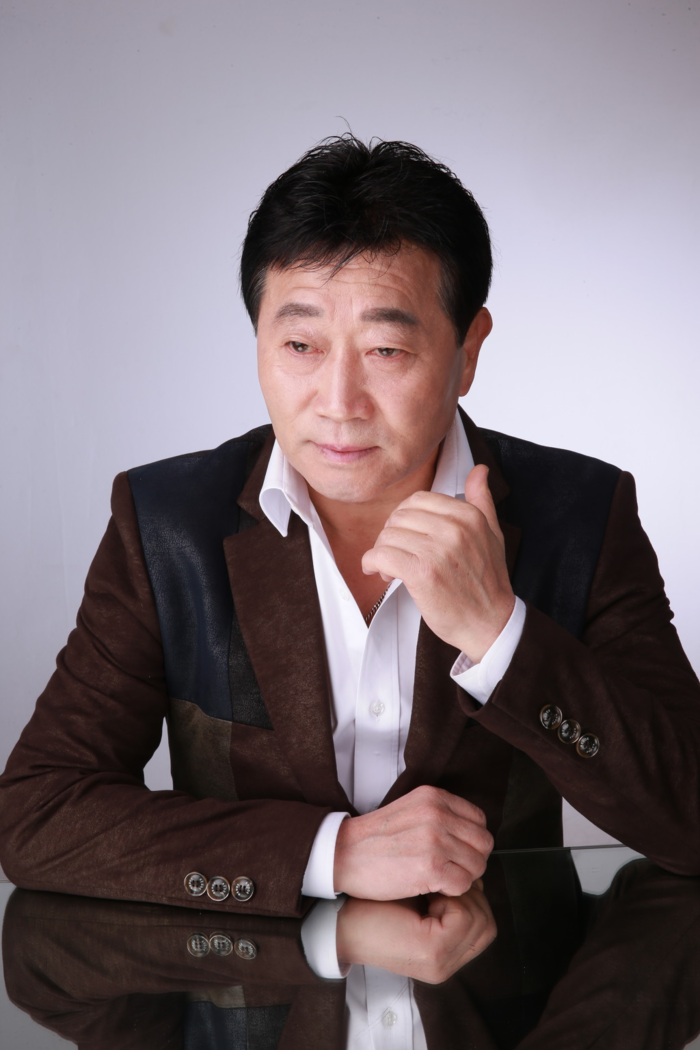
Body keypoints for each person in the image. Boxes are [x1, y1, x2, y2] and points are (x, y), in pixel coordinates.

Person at [1, 136, 699, 918]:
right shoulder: (167, 524)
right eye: (299, 345)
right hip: (259, 987)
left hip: (498, 982)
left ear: (468, 351)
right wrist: (331, 854)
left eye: (386, 349)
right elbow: (37, 813)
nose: (338, 402)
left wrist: (500, 633)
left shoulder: (580, 514)